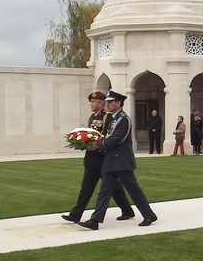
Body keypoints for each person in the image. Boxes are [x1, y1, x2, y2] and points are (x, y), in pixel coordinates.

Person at [78, 90, 157, 230]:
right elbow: (106, 136)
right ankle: (95, 220)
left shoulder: (123, 119)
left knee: (134, 190)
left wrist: (99, 145)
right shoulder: (114, 118)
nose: (107, 104)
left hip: (121, 161)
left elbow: (116, 139)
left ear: (118, 103)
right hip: (111, 160)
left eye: (110, 102)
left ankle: (149, 215)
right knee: (104, 192)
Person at [61, 92, 134, 224]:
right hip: (91, 158)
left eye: (94, 101)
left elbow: (108, 135)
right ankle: (76, 214)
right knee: (86, 187)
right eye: (91, 101)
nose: (91, 104)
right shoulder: (92, 117)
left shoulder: (107, 117)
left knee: (113, 187)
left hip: (102, 157)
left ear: (101, 103)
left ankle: (126, 210)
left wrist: (98, 145)